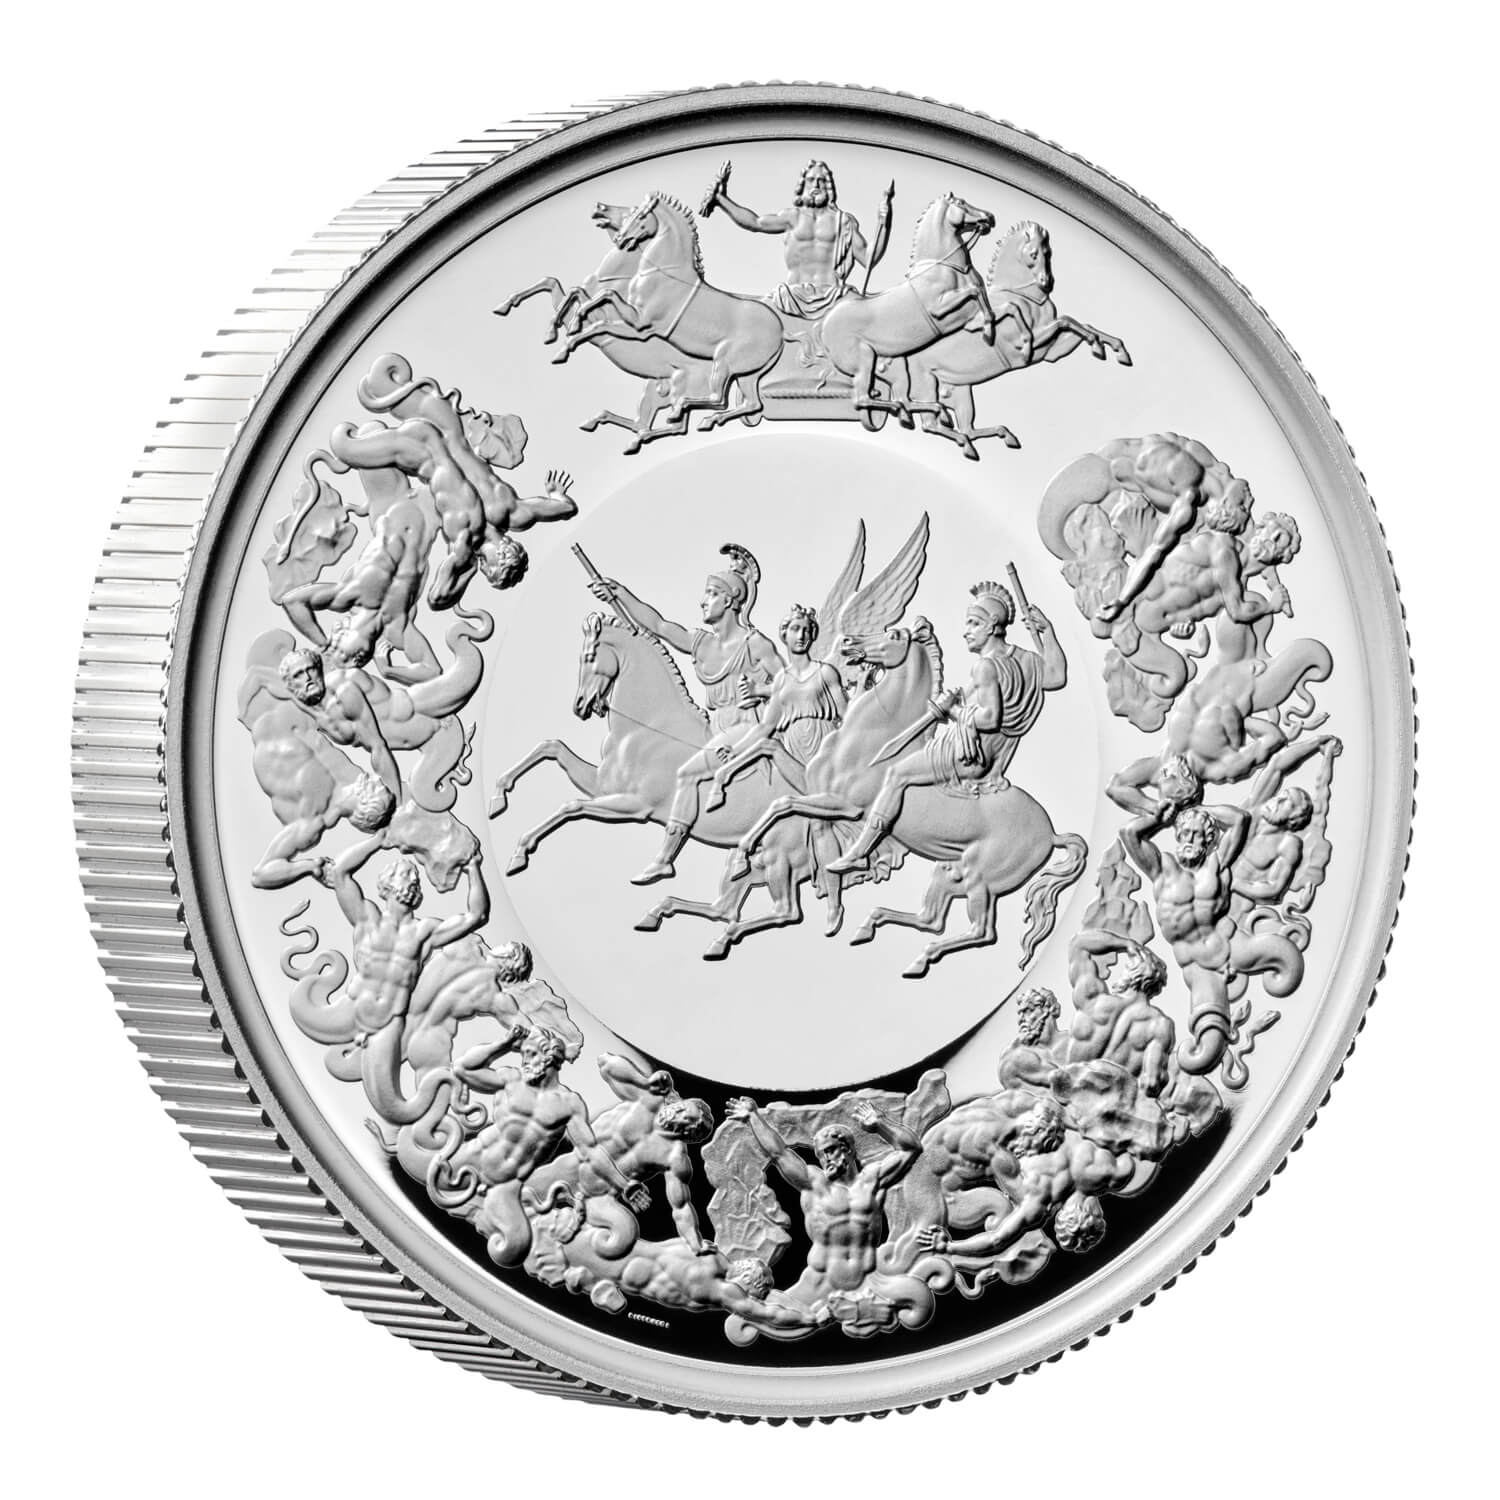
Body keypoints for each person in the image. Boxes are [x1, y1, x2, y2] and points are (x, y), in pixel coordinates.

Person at [829, 580, 1065, 872]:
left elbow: (990, 718)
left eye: (973, 623)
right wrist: (1048, 632)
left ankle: (861, 851)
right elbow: (1056, 675)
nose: (966, 631)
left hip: (966, 754)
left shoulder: (985, 667)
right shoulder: (1025, 660)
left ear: (993, 625)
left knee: (896, 774)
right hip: (988, 755)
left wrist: (953, 710)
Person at [588, 548, 782, 883]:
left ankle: (665, 858)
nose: (703, 601)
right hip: (714, 727)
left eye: (711, 594)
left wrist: (761, 690)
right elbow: (658, 625)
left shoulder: (755, 644)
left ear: (729, 600)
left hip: (745, 727)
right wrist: (620, 594)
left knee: (687, 774)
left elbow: (787, 683)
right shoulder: (702, 643)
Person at [453, 1027, 650, 1268]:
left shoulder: (568, 1104)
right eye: (523, 1054)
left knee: (512, 1249)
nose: (525, 1061)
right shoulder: (510, 1079)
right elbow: (463, 1069)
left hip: (507, 1185)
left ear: (549, 1058)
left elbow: (589, 1151)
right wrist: (504, 1044)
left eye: (532, 1054)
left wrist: (624, 1185)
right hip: (473, 1156)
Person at [724, 1097, 921, 1320]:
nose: (825, 1158)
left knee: (918, 1300)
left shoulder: (872, 1179)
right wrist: (753, 1116)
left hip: (869, 1278)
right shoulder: (814, 1182)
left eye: (830, 1150)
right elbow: (778, 1153)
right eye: (820, 1154)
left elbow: (911, 1149)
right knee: (752, 1318)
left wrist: (881, 1123)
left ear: (848, 1149)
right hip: (819, 1282)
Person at [525, 1054, 715, 1259]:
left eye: (687, 1119)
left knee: (620, 1237)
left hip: (598, 1200)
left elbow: (681, 1206)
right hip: (573, 1167)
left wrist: (695, 1244)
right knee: (515, 1197)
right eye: (682, 1108)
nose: (679, 1114)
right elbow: (606, 1063)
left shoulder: (674, 1156)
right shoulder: (648, 1099)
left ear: (688, 1132)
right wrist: (645, 1081)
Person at [706, 602, 848, 806]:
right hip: (795, 751)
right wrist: (735, 750)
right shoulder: (781, 680)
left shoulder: (825, 672)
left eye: (806, 630)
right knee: (770, 749)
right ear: (784, 634)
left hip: (824, 749)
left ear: (812, 636)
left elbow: (848, 716)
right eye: (795, 629)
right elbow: (766, 727)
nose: (801, 636)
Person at [704, 158, 869, 320]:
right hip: (792, 296)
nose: (816, 185)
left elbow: (868, 258)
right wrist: (721, 199)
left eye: (821, 180)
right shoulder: (792, 217)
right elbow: (755, 223)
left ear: (828, 186)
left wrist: (882, 223)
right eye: (811, 180)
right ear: (803, 185)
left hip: (834, 296)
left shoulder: (843, 221)